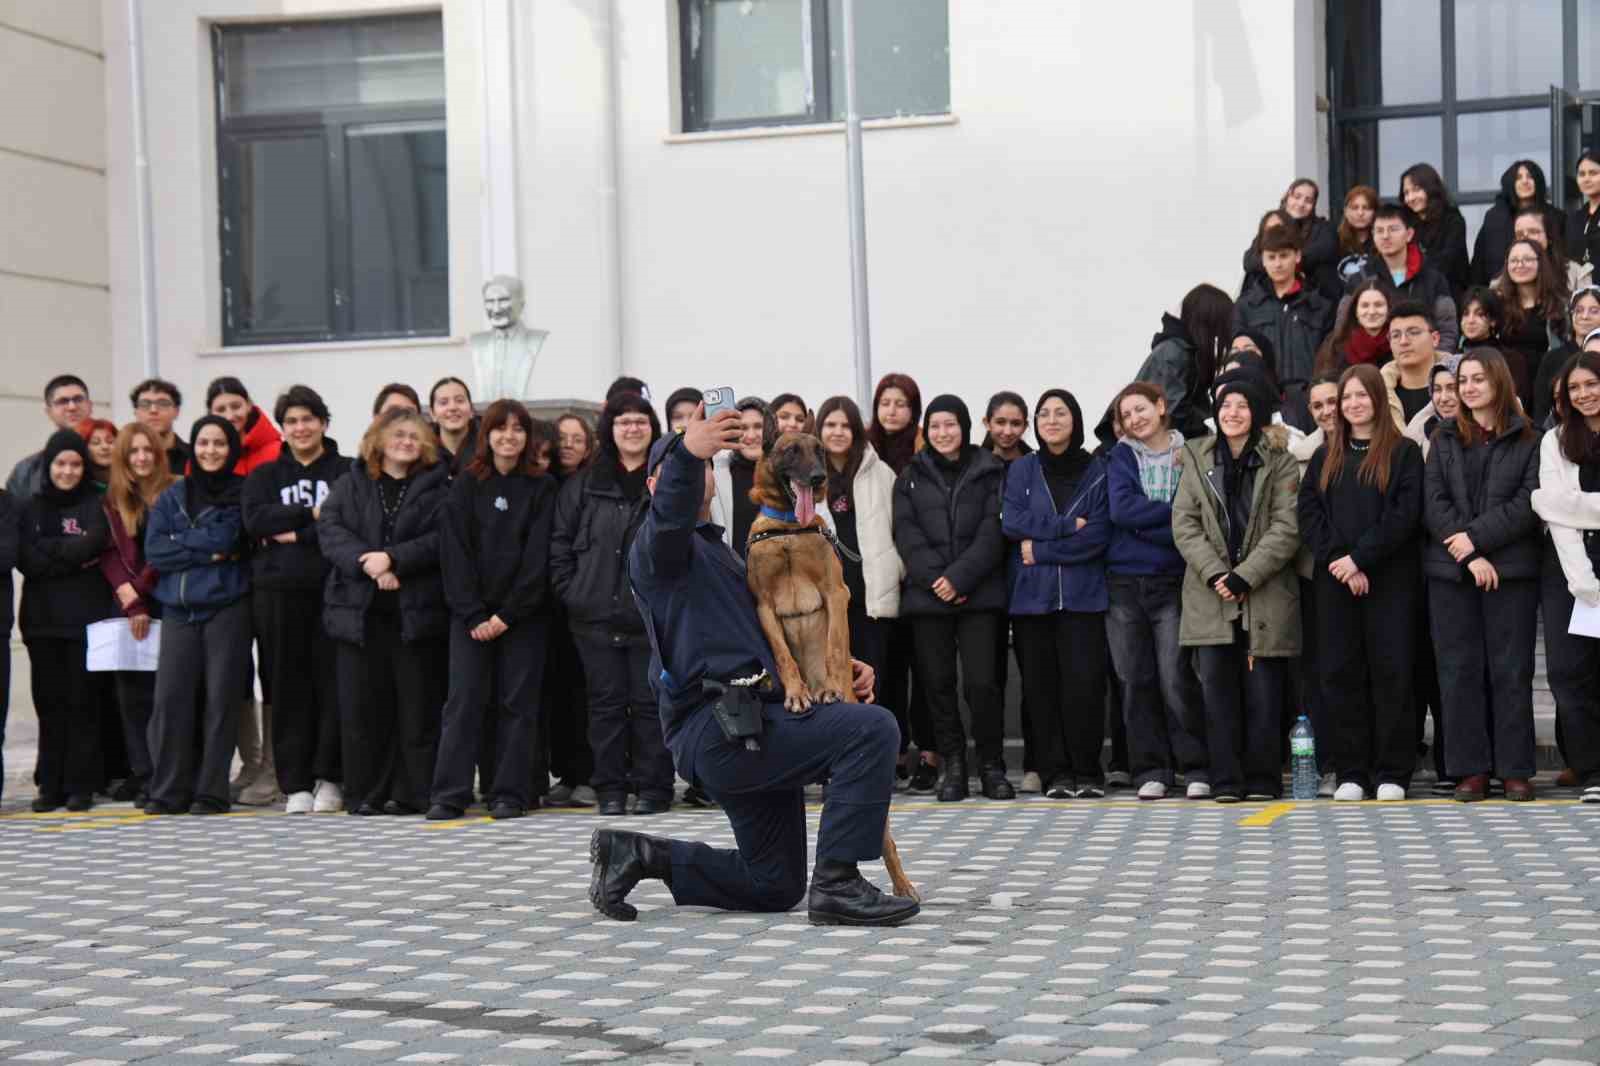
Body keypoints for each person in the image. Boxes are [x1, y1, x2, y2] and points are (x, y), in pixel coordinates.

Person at [589, 404, 915, 927]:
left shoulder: (714, 551)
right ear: (658, 483)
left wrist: (838, 662)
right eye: (684, 470)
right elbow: (672, 507)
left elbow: (757, 636)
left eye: (701, 469)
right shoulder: (659, 548)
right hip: (720, 730)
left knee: (773, 883)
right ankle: (839, 883)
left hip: (751, 724)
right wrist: (687, 450)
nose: (698, 478)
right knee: (872, 731)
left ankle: (638, 855)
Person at [1171, 373, 1301, 802]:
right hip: (1211, 592)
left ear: (1258, 412)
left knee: (1264, 692)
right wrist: (1217, 574)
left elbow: (1287, 525)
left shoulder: (1279, 459)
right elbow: (1185, 524)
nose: (1232, 413)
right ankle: (1225, 778)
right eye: (1226, 405)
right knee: (1216, 691)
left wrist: (1247, 574)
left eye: (1242, 406)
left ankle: (1263, 778)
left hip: (1263, 590)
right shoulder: (1196, 456)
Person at [1297, 365, 1424, 802]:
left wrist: (1360, 558)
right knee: (1339, 673)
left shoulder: (1404, 453)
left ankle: (1392, 771)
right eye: (1344, 398)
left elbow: (1403, 515)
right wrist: (1340, 561)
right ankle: (1352, 770)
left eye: (1360, 396)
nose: (1351, 404)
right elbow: (1309, 514)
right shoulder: (1324, 455)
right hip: (1335, 584)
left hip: (1390, 582)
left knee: (1392, 674)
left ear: (1377, 399)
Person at [1423, 348, 1542, 802]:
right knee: (1458, 671)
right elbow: (1434, 503)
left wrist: (1477, 540)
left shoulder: (1531, 439)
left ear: (1499, 382)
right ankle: (1470, 769)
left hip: (1510, 572)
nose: (1468, 388)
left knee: (1511, 671)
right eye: (1462, 381)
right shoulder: (1444, 438)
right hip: (1452, 573)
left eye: (1477, 379)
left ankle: (1514, 769)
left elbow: (1528, 502)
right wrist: (1468, 553)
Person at [318, 408, 450, 817]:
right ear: (378, 439)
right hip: (359, 614)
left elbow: (441, 538)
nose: (407, 442)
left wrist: (393, 559)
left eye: (415, 436)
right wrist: (366, 561)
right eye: (398, 435)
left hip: (415, 614)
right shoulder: (352, 482)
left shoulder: (440, 486)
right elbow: (331, 529)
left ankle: (413, 792)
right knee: (362, 708)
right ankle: (365, 793)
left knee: (415, 708)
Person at [550, 391, 675, 817]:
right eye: (624, 421)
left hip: (650, 616)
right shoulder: (584, 484)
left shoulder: (665, 479)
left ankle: (654, 788)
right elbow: (561, 545)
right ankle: (610, 790)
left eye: (641, 420)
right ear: (610, 429)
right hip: (594, 615)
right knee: (604, 706)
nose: (633, 428)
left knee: (648, 704)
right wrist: (574, 591)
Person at [430, 400, 556, 821]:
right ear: (486, 437)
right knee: (463, 703)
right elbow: (454, 553)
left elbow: (538, 558)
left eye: (518, 429)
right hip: (470, 618)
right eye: (500, 429)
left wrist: (507, 615)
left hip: (522, 619)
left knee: (516, 705)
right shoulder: (465, 486)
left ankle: (509, 792)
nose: (509, 436)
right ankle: (450, 792)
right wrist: (473, 614)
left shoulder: (542, 488)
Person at [893, 395, 1009, 802]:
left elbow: (993, 532)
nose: (944, 433)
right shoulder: (910, 475)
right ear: (928, 430)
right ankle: (954, 765)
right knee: (937, 685)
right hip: (928, 600)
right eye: (936, 426)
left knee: (982, 684)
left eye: (951, 425)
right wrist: (937, 580)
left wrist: (959, 579)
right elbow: (906, 533)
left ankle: (992, 765)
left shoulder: (990, 470)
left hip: (978, 595)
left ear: (964, 427)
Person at [241, 385, 348, 815]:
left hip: (333, 593)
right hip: (278, 596)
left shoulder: (346, 472)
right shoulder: (264, 476)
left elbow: (346, 522)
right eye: (291, 421)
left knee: (332, 685)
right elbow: (254, 521)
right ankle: (295, 782)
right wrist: (313, 517)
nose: (300, 428)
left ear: (323, 422)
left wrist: (293, 533)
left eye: (308, 419)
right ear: (282, 429)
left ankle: (330, 778)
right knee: (284, 687)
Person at [1003, 389, 1110, 799]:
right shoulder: (1022, 469)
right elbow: (1012, 522)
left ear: (1075, 420)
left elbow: (1098, 536)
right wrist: (1067, 528)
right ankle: (1056, 774)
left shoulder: (1097, 469)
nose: (1051, 420)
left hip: (1084, 598)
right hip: (1032, 601)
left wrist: (1041, 547)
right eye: (1044, 414)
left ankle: (1087, 772)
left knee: (1083, 686)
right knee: (1041, 689)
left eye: (1060, 413)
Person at [143, 416, 253, 815]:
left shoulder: (242, 492)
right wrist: (207, 552)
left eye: (220, 443)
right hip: (177, 609)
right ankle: (168, 790)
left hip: (227, 607)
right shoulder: (174, 494)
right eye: (203, 442)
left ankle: (211, 791)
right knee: (170, 700)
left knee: (220, 700)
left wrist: (184, 542)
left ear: (232, 449)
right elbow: (155, 550)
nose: (210, 451)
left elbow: (228, 538)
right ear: (194, 446)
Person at [1104, 383, 1208, 801]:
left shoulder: (1192, 454)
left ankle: (1196, 765)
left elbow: (1199, 510)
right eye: (1126, 415)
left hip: (1174, 581)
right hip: (1125, 583)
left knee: (1176, 678)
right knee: (1134, 679)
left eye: (1141, 409)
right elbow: (1121, 510)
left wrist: (1167, 522)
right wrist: (1175, 521)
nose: (1134, 420)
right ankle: (1151, 768)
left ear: (1161, 407)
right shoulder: (1120, 456)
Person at [17, 429, 114, 812]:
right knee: (49, 704)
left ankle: (81, 785)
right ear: (49, 466)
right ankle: (50, 784)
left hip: (84, 619)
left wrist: (53, 553)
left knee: (83, 704)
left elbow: (94, 543)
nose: (68, 471)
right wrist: (69, 555)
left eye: (75, 464)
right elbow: (26, 557)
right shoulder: (30, 507)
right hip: (41, 622)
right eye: (61, 463)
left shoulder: (97, 503)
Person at [1531, 351, 1600, 803]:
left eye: (1591, 384)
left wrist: (1574, 504)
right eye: (1574, 388)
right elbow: (1549, 508)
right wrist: (1584, 580)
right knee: (1568, 672)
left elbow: (1560, 503)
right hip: (1566, 564)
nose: (1583, 394)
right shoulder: (1554, 440)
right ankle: (1591, 766)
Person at [98, 423, 176, 807]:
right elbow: (109, 554)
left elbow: (168, 548)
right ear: (124, 459)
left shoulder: (174, 492)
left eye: (148, 450)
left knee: (168, 694)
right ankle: (145, 775)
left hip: (166, 600)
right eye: (134, 452)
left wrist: (141, 592)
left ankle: (169, 774)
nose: (142, 458)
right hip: (128, 605)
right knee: (131, 696)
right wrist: (131, 602)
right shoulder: (113, 500)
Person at [814, 395, 902, 733]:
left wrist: (894, 571)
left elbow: (899, 531)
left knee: (875, 679)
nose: (837, 432)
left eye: (845, 425)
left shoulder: (879, 473)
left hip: (872, 597)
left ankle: (880, 753)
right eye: (830, 425)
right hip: (826, 600)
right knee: (830, 681)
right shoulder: (806, 474)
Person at [866, 372, 931, 787]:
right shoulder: (862, 452)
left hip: (922, 579)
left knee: (927, 671)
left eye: (901, 404)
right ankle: (890, 752)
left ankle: (927, 754)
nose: (892, 411)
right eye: (885, 402)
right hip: (878, 579)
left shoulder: (926, 450)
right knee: (885, 672)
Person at [979, 391, 1038, 790]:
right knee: (989, 678)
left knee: (1033, 675)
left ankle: (1036, 759)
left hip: (1028, 576)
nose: (1007, 431)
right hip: (983, 582)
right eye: (1000, 422)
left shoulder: (1035, 465)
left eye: (1015, 423)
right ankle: (991, 760)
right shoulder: (975, 464)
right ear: (986, 423)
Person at [543, 410, 600, 809]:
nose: (568, 445)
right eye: (561, 438)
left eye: (577, 438)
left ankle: (588, 774)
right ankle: (563, 771)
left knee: (587, 693)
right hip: (542, 606)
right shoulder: (542, 482)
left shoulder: (592, 485)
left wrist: (573, 590)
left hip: (581, 600)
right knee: (555, 694)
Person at [1231, 226, 1335, 432]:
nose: (1277, 263)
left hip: (1308, 400)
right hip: (1259, 398)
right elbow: (1237, 357)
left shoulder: (1319, 305)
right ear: (1262, 259)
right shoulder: (1246, 306)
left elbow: (1329, 357)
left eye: (1284, 256)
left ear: (1297, 256)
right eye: (1271, 257)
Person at [1102, 284, 1231, 444]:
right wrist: (1210, 427)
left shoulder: (1183, 352)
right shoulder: (1176, 354)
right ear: (1208, 322)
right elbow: (1172, 414)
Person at [1338, 202, 1460, 353]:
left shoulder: (1433, 279)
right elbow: (1343, 328)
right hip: (1371, 369)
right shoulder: (1359, 279)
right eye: (1379, 231)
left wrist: (1435, 367)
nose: (1385, 236)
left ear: (1409, 234)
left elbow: (1447, 330)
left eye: (1393, 229)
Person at [1490, 238, 1566, 410]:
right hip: (1509, 387)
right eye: (1514, 260)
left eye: (1527, 259)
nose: (1520, 265)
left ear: (1540, 262)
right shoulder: (1497, 304)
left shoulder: (1558, 304)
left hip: (1547, 387)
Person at [1472, 159, 1565, 287]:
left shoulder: (1555, 216)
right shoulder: (1495, 217)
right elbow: (1481, 260)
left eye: (1530, 176)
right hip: (1503, 287)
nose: (1525, 181)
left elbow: (1562, 253)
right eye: (1518, 178)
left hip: (1549, 284)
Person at [7, 375, 92, 499]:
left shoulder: (115, 460)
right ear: (49, 412)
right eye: (62, 401)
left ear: (89, 406)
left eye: (78, 399)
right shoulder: (27, 471)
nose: (72, 407)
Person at [709, 396, 773, 556]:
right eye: (743, 428)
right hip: (732, 575)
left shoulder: (786, 475)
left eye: (759, 426)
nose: (751, 435)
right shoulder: (715, 473)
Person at [1400, 163, 1470, 298]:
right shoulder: (1405, 222)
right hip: (1411, 295)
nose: (1410, 198)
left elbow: (1446, 262)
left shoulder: (1453, 220)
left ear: (1431, 188)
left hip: (1448, 295)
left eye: (1416, 190)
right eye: (1406, 193)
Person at [1314, 279, 1391, 378]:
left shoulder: (1400, 343)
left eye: (1378, 305)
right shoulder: (1335, 345)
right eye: (1365, 306)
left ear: (1389, 308)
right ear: (1356, 311)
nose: (1371, 311)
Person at [206, 377, 283, 475]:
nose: (229, 416)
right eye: (221, 410)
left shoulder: (279, 452)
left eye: (236, 407)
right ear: (210, 413)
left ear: (249, 405)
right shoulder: (202, 458)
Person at [130, 378, 188, 475]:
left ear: (176, 412)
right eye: (145, 404)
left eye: (163, 404)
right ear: (136, 412)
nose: (153, 410)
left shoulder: (194, 457)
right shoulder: (123, 458)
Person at [429, 377, 478, 476]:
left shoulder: (489, 447)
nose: (452, 407)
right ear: (432, 414)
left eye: (459, 401)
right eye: (443, 402)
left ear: (472, 410)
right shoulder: (422, 451)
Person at [1335, 184, 1379, 286]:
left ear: (1375, 212)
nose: (1360, 213)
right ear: (1346, 211)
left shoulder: (1383, 242)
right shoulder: (1333, 241)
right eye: (1355, 208)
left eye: (1366, 208)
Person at [1567, 149, 1600, 277]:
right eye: (1581, 174)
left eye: (1593, 173)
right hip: (1581, 291)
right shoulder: (1574, 219)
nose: (1586, 179)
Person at [76, 418, 117, 490]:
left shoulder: (130, 478)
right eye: (96, 442)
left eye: (110, 441)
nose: (105, 447)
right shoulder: (78, 483)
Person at [1458, 286, 1503, 351]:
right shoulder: (1454, 357)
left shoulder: (1504, 357)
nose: (1471, 320)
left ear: (1493, 320)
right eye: (1465, 314)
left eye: (1480, 314)